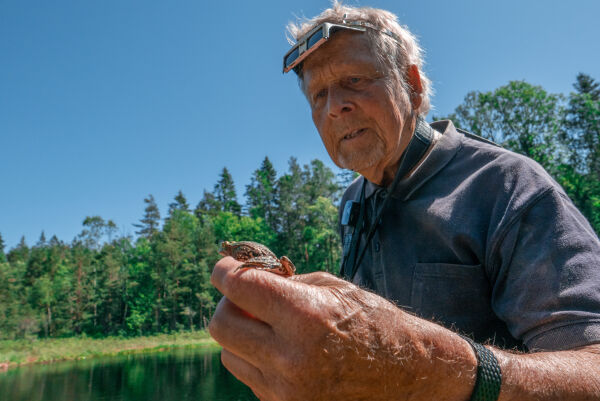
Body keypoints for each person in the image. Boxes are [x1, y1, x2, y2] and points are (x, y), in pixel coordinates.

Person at [209, 3, 600, 400]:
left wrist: (431, 370)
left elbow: (593, 368)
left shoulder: (508, 185)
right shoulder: (351, 200)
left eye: (355, 80)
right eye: (318, 94)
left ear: (411, 84)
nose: (334, 107)